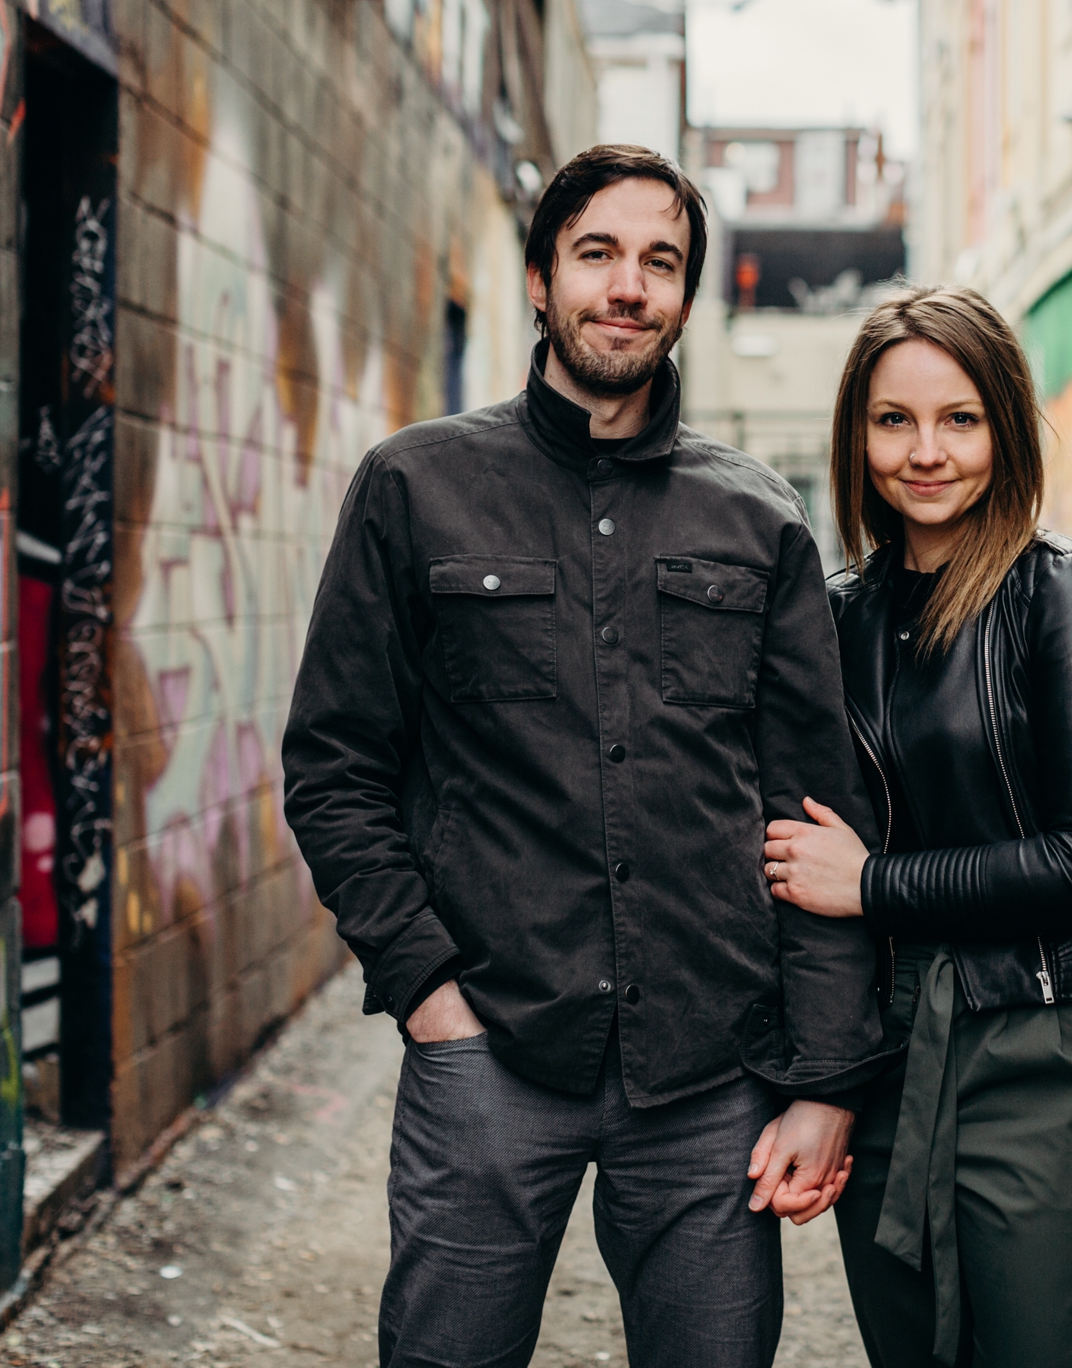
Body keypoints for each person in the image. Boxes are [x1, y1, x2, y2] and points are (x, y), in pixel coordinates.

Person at [280, 144, 893, 1368]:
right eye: (599, 253)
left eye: (660, 262)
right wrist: (428, 991)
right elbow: (334, 765)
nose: (629, 285)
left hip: (712, 1072)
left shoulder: (758, 516)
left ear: (684, 296)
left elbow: (814, 810)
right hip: (490, 1049)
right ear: (541, 278)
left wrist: (824, 1076)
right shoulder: (415, 487)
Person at [760, 286, 1072, 1368]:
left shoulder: (1060, 592)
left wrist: (876, 883)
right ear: (857, 434)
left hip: (1049, 1046)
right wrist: (822, 1075)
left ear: (1003, 425)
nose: (927, 451)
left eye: (960, 418)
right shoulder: (838, 621)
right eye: (894, 419)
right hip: (894, 1049)